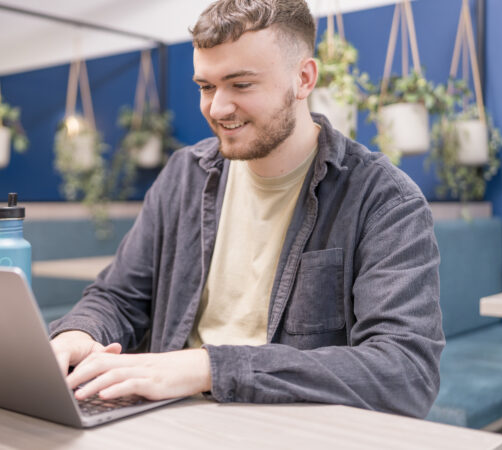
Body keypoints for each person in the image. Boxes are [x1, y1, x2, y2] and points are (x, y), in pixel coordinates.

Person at [49, 0, 444, 418]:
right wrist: (79, 332)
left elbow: (406, 373)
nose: (217, 108)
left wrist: (210, 367)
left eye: (241, 85)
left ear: (304, 78)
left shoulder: (384, 199)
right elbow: (119, 296)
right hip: (165, 421)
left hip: (288, 428)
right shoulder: (184, 175)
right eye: (206, 86)